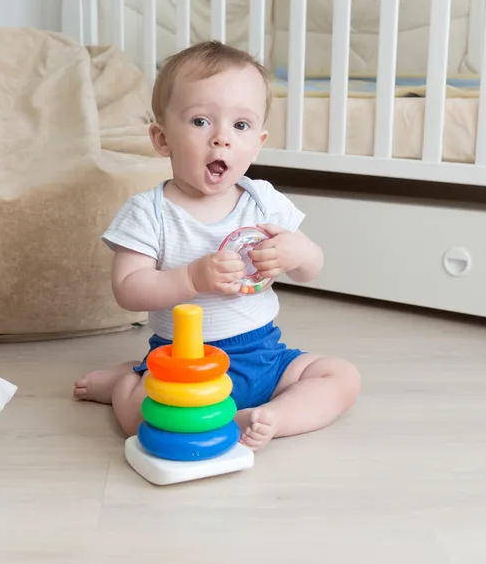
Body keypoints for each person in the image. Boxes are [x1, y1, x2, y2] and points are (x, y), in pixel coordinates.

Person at [74, 40, 360, 450]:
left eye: (240, 126)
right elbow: (128, 289)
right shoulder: (149, 212)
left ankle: (273, 416)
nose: (222, 139)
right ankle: (127, 380)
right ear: (161, 138)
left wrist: (298, 253)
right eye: (201, 122)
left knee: (341, 376)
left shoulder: (263, 200)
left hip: (263, 355)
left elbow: (311, 267)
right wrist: (192, 276)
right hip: (183, 365)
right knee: (141, 422)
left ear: (258, 142)